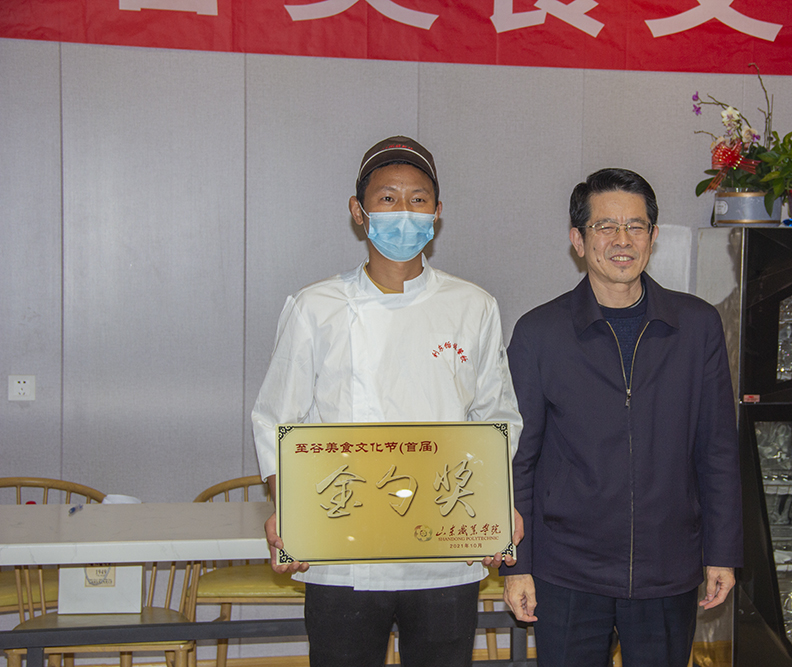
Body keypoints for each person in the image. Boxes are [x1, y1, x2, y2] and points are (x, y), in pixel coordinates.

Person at [251, 136, 522, 667]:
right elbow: (277, 420)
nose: (404, 213)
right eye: (388, 199)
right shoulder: (316, 307)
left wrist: (498, 505)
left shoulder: (473, 306)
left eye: (418, 200)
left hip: (445, 550)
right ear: (359, 211)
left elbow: (496, 418)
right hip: (342, 551)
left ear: (437, 213)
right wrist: (289, 511)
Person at [502, 168, 742, 667]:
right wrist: (516, 564)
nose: (622, 240)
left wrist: (722, 551)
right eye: (605, 226)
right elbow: (518, 460)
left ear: (653, 236)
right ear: (578, 239)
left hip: (667, 569)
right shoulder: (539, 333)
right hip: (567, 571)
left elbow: (717, 448)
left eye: (635, 226)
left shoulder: (697, 326)